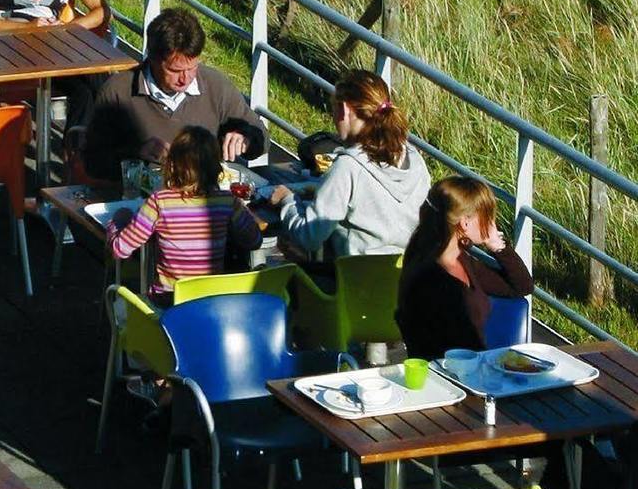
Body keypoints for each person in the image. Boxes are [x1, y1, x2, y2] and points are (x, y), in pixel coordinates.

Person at [83, 7, 264, 181]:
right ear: (152, 58)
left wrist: (246, 137)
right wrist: (136, 153)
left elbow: (262, 136)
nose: (185, 79)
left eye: (192, 68)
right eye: (174, 70)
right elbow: (92, 162)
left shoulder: (216, 85)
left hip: (204, 201)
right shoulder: (118, 92)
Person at [269, 70, 428, 262]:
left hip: (352, 282)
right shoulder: (413, 157)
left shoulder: (349, 167)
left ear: (344, 110)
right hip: (401, 279)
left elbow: (309, 236)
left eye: (333, 110)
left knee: (284, 255)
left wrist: (287, 200)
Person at [106, 125, 262, 298]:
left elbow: (120, 249)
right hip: (211, 302)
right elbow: (254, 240)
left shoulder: (159, 202)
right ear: (217, 166)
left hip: (169, 304)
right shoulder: (227, 202)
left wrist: (117, 221)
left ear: (172, 165)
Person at [395, 175, 534, 360]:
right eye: (488, 216)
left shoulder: (461, 260)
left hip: (469, 368)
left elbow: (521, 286)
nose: (492, 223)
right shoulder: (432, 278)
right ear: (465, 223)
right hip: (449, 375)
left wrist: (498, 246)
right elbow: (445, 346)